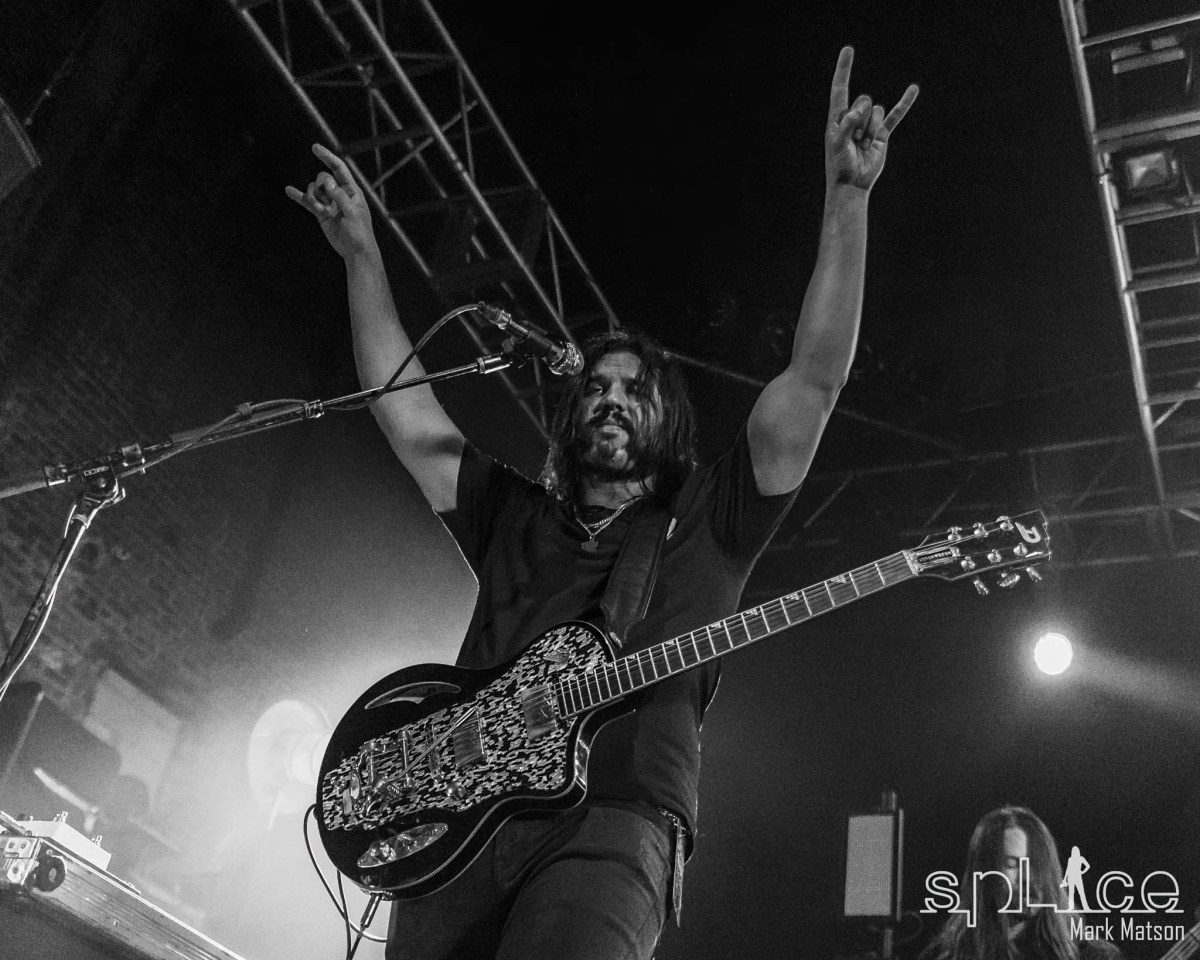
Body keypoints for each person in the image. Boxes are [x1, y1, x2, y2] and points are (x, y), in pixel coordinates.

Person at [288, 45, 917, 960]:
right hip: (456, 825)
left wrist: (847, 200)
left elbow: (814, 378)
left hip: (616, 822)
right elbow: (406, 412)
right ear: (571, 414)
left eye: (636, 389)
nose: (612, 399)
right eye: (595, 387)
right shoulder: (516, 515)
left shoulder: (714, 517)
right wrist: (362, 257)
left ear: (669, 418)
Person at [921, 806, 1121, 960]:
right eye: (1012, 865)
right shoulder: (942, 955)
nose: (1028, 877)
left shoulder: (1094, 956)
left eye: (1037, 863)